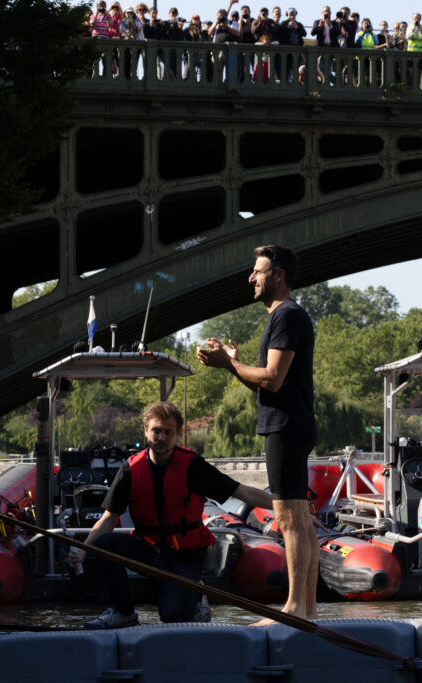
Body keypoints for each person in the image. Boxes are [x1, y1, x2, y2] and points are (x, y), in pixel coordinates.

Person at [70, 402, 274, 629]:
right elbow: (108, 518)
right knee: (105, 543)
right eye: (156, 431)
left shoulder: (193, 465)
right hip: (150, 548)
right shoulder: (130, 469)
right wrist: (83, 550)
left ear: (177, 434)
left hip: (186, 554)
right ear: (146, 431)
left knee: (173, 619)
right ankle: (124, 613)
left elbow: (242, 492)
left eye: (168, 432)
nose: (161, 437)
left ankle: (197, 599)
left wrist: (289, 508)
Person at [198, 245, 320, 623]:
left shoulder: (286, 315)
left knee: (289, 518)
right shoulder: (285, 316)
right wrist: (233, 366)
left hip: (286, 427)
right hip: (291, 423)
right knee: (298, 517)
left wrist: (230, 363)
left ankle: (295, 607)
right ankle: (309, 608)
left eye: (258, 271)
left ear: (278, 275)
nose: (251, 278)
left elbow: (271, 377)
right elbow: (273, 385)